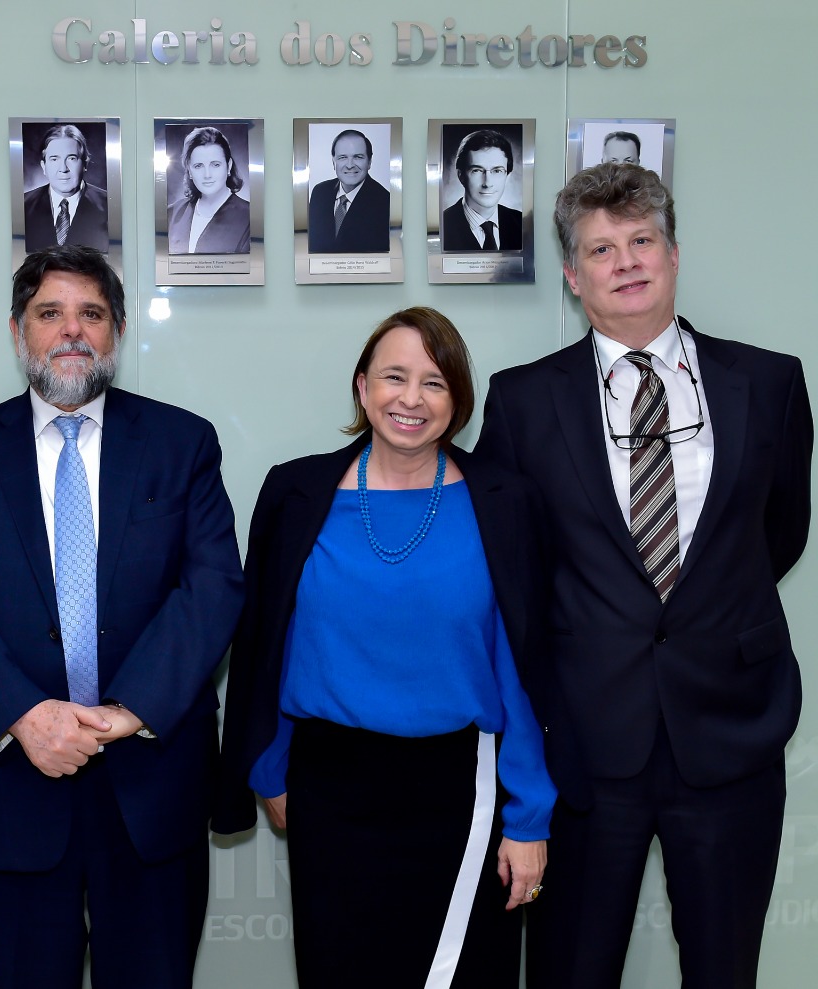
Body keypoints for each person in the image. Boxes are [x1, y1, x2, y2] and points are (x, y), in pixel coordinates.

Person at [474, 163, 813, 989]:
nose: (625, 261)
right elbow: (512, 568)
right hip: (586, 745)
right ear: (572, 274)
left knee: (725, 968)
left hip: (730, 732)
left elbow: (780, 532)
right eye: (600, 248)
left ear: (673, 253)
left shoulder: (768, 381)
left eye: (641, 241)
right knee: (570, 970)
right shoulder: (521, 400)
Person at [0, 245, 243, 989]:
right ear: (19, 330)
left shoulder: (182, 443)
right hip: (12, 790)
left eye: (91, 314)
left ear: (117, 330)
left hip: (150, 783)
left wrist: (128, 711)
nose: (71, 331)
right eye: (49, 313)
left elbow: (212, 586)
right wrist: (24, 714)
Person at [214, 307, 555, 988]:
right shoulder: (296, 491)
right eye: (394, 376)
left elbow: (522, 669)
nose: (410, 398)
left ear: (457, 400)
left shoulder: (505, 500)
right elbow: (267, 642)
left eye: (434, 382)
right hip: (329, 790)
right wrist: (272, 769)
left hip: (461, 792)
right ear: (362, 385)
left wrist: (529, 816)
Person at [23, 124, 110, 253]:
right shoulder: (23, 205)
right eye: (54, 159)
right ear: (43, 166)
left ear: (85, 164)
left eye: (71, 158)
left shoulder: (109, 205)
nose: (63, 169)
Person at [167, 126, 251, 255]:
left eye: (215, 165)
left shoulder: (249, 218)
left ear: (228, 166)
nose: (207, 175)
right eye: (198, 166)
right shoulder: (171, 213)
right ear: (189, 171)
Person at [306, 128, 391, 254]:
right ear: (333, 161)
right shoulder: (319, 192)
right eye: (342, 157)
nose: (350, 165)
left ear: (369, 162)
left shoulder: (385, 202)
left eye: (358, 157)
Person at [440, 129, 523, 253]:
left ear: (507, 176)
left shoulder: (521, 223)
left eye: (497, 171)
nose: (487, 183)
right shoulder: (443, 225)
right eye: (477, 170)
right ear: (461, 175)